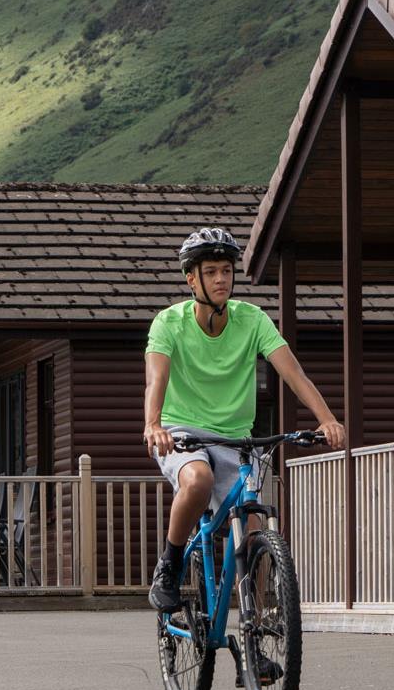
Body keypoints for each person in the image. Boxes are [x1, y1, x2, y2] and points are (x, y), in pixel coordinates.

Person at [143, 228, 346, 614]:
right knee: (198, 480)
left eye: (226, 270)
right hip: (181, 432)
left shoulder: (251, 320)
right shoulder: (169, 323)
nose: (221, 279)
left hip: (235, 438)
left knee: (255, 530)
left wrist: (327, 419)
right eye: (211, 272)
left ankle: (258, 627)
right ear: (192, 279)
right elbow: (157, 379)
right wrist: (153, 424)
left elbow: (294, 373)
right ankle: (168, 566)